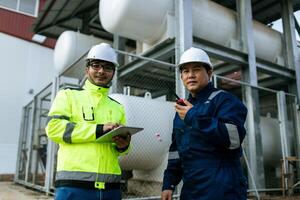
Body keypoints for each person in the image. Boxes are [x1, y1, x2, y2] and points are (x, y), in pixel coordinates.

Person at [45, 43, 131, 200]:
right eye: (96, 65)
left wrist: (123, 146)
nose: (101, 71)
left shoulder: (118, 107)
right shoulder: (68, 95)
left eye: (107, 67)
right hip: (74, 186)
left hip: (110, 188)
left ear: (113, 72)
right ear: (87, 69)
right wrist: (98, 130)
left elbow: (121, 150)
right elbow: (54, 128)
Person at [161, 47, 248, 200]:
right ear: (181, 77)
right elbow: (176, 150)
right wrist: (169, 183)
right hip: (191, 190)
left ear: (209, 73)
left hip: (222, 189)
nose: (191, 75)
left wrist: (193, 116)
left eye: (196, 69)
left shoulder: (224, 100)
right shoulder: (183, 109)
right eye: (186, 71)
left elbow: (233, 139)